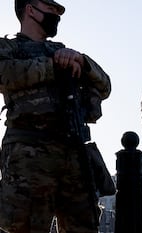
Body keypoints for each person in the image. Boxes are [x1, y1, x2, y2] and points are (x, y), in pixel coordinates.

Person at [0, 0, 111, 232]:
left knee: (84, 226)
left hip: (73, 153)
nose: (56, 15)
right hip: (30, 154)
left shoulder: (65, 52)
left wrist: (83, 62)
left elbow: (105, 85)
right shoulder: (8, 48)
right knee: (26, 227)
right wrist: (53, 66)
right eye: (50, 9)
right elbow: (5, 74)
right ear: (30, 9)